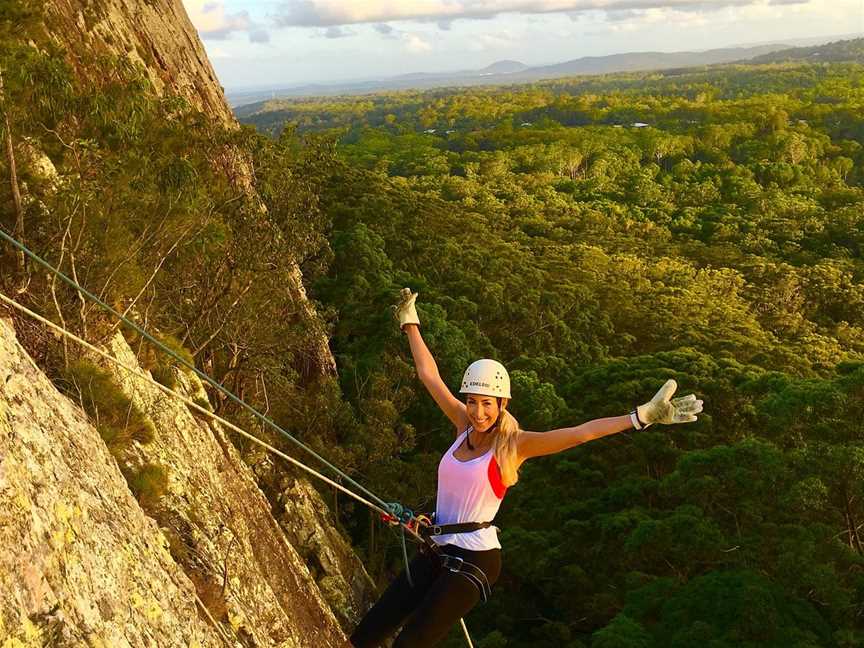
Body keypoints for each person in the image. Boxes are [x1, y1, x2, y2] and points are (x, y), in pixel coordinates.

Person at [346, 288, 703, 648]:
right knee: (368, 632)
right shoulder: (462, 425)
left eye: (487, 404)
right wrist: (410, 322)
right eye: (472, 402)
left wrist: (640, 417)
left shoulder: (514, 446)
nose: (478, 412)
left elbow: (580, 434)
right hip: (438, 543)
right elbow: (429, 376)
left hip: (476, 558)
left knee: (410, 644)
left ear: (502, 404)